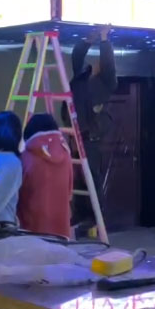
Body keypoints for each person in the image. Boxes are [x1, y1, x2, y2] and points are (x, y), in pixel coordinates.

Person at [68, 25, 117, 197]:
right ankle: (80, 211)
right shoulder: (81, 77)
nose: (97, 63)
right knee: (75, 181)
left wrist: (104, 39)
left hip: (89, 138)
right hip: (74, 136)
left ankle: (96, 212)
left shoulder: (106, 83)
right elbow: (77, 57)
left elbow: (108, 64)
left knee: (91, 181)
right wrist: (89, 40)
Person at [18, 113, 73, 238]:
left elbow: (17, 193)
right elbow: (69, 191)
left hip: (33, 232)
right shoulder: (66, 154)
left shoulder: (27, 156)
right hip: (62, 234)